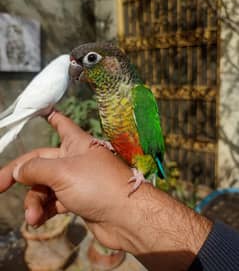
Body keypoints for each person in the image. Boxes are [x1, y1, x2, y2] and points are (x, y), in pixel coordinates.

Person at [0, 112, 238, 271]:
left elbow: (148, 147)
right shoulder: (105, 105)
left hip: (144, 165)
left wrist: (133, 207)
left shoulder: (138, 98)